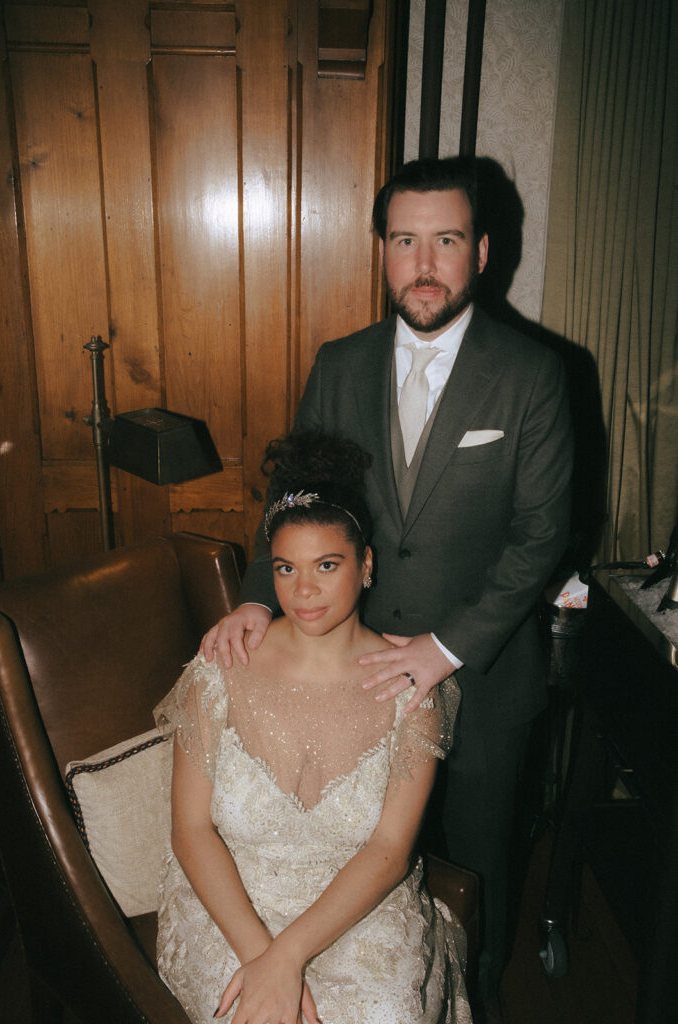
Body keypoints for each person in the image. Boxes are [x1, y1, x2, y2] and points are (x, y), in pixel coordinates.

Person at [201, 157, 573, 1021]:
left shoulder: (533, 375)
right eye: (404, 242)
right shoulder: (338, 364)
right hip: (347, 681)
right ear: (381, 251)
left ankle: (469, 1002)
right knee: (359, 867)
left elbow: (541, 535)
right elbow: (293, 501)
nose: (423, 264)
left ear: (480, 252)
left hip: (479, 680)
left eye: (444, 241)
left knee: (474, 868)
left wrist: (444, 650)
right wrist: (258, 596)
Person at [156, 432, 473, 1024]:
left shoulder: (413, 691)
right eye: (286, 568)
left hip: (359, 908)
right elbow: (191, 831)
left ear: (367, 564)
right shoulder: (220, 669)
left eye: (327, 565)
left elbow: (388, 850)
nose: (303, 592)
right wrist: (263, 960)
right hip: (228, 904)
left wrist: (290, 957)